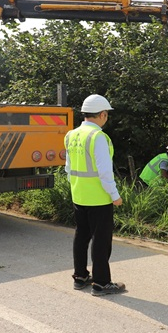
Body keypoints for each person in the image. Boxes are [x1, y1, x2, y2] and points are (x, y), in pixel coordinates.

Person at [64, 94, 126, 297]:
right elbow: (104, 172)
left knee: (81, 236)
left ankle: (80, 276)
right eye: (106, 115)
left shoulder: (71, 135)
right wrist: (115, 195)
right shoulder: (98, 137)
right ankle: (101, 283)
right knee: (101, 240)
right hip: (99, 198)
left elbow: (68, 168)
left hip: (79, 195)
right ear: (102, 114)